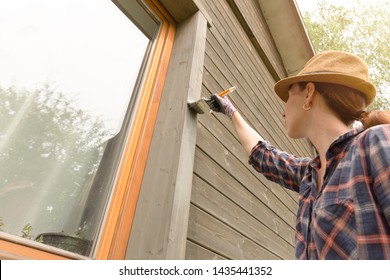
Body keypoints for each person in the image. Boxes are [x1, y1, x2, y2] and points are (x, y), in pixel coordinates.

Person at [211, 50, 390, 260]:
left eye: (288, 96)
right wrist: (230, 111)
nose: (283, 110)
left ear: (309, 93)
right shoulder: (309, 175)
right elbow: (263, 156)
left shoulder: (375, 142)